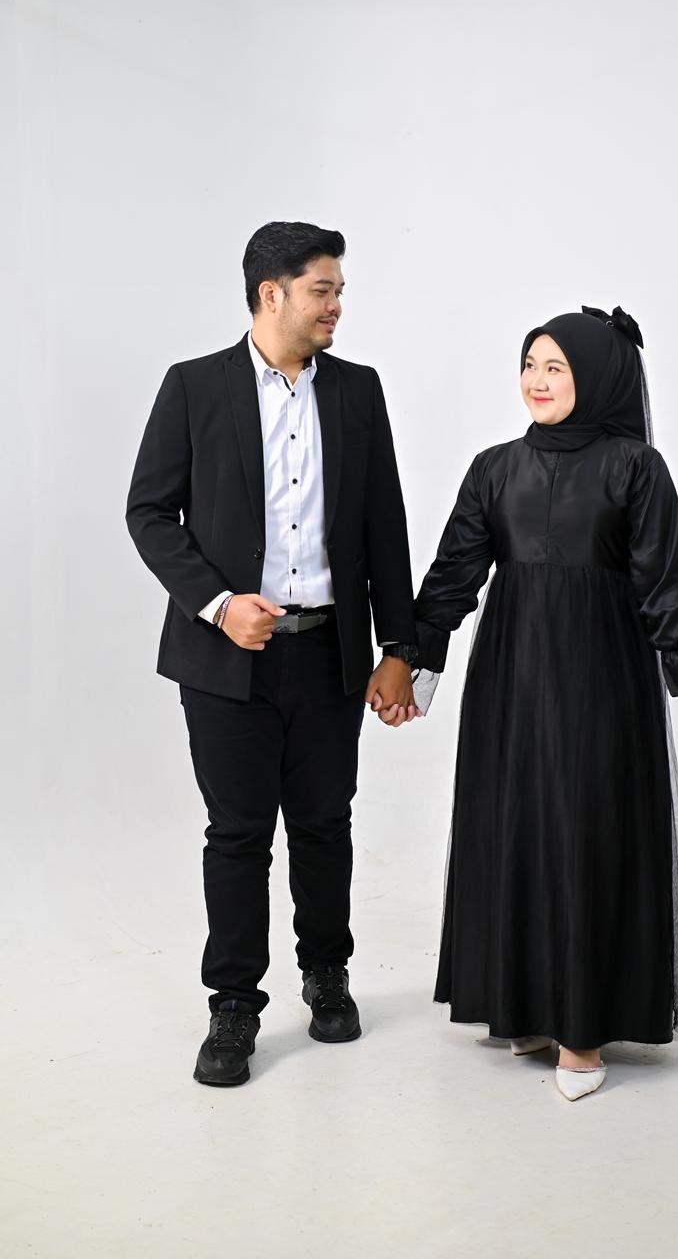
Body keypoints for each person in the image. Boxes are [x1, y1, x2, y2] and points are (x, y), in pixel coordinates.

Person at [410, 306, 678, 1101]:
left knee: (588, 831)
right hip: (511, 680)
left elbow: (663, 587)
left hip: (602, 678)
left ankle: (584, 1032)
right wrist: (412, 662)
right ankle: (527, 1006)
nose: (537, 380)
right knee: (516, 827)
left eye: (556, 367)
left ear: (597, 377)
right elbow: (454, 574)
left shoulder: (636, 468)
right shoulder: (494, 468)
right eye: (530, 363)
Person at [126, 221, 419, 1086]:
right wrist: (220, 606)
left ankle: (326, 974)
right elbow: (149, 513)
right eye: (323, 290)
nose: (337, 306)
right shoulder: (193, 387)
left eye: (339, 290)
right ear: (271, 294)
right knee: (238, 834)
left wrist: (398, 648)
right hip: (226, 661)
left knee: (326, 825)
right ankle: (233, 1004)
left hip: (329, 654)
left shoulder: (358, 391)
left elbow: (385, 524)